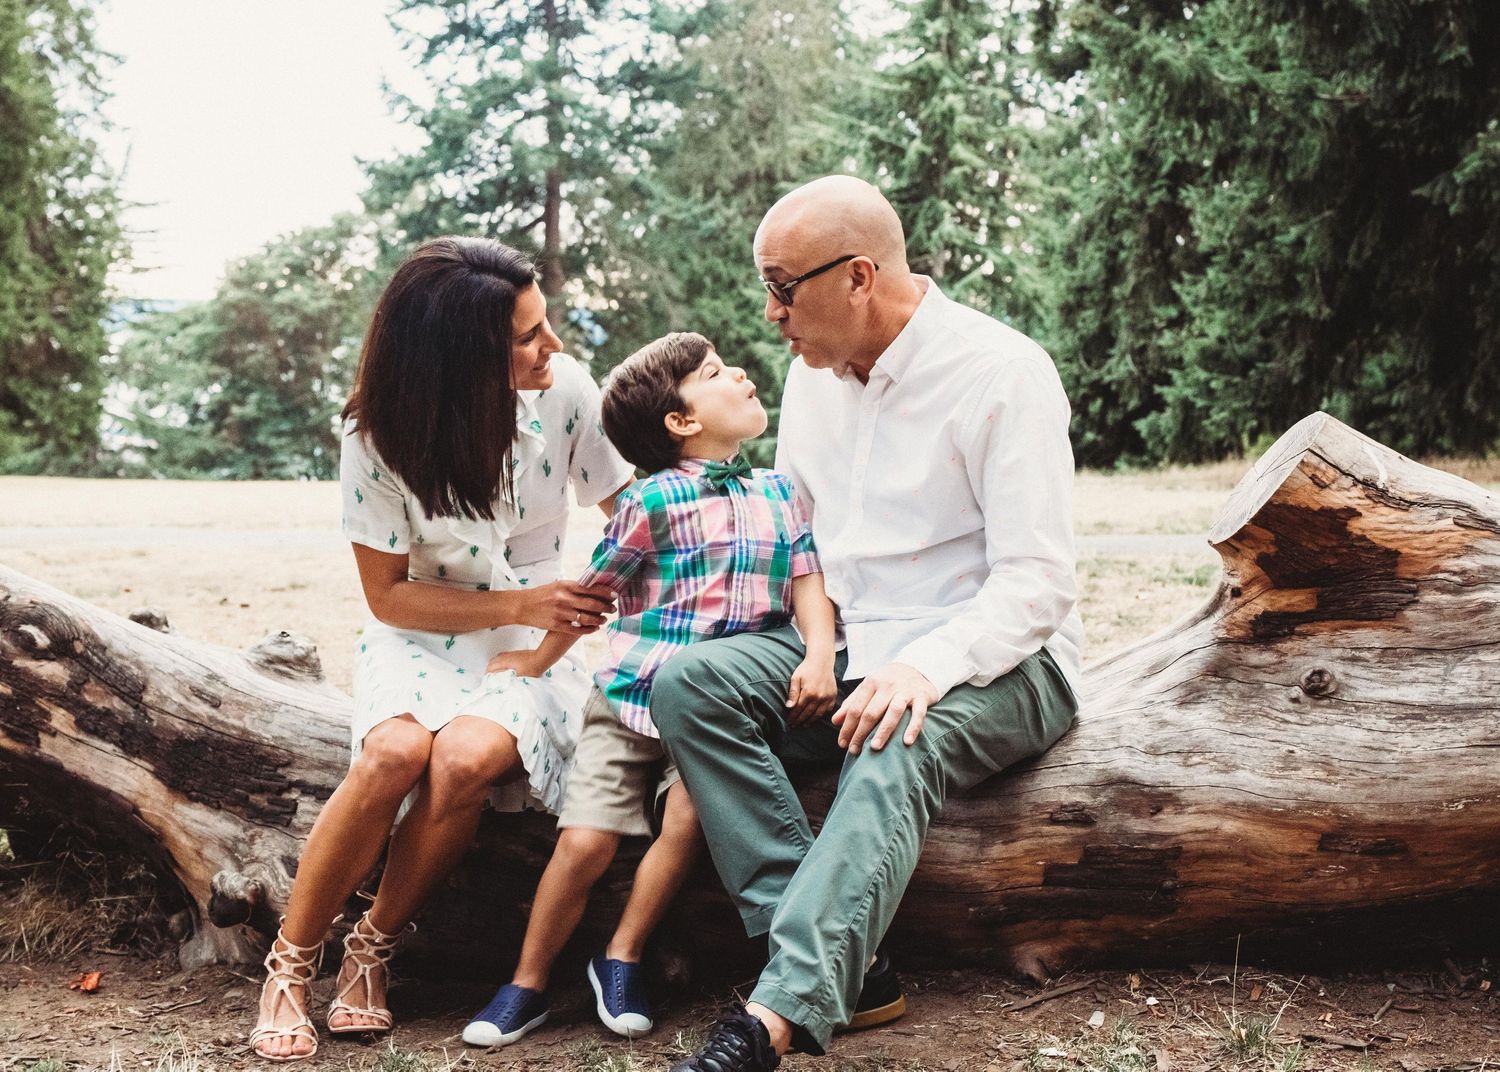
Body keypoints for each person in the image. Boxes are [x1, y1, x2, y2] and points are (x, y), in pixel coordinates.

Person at [654, 176, 1085, 1072]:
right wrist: (806, 647)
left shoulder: (1002, 372)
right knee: (690, 687)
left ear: (858, 277)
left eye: (783, 288)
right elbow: (804, 544)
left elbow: (1038, 582)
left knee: (892, 735)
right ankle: (853, 966)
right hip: (849, 642)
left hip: (1001, 657)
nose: (769, 314)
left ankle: (774, 1016)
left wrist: (924, 667)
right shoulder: (811, 377)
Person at [248, 237, 636, 1062]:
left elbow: (633, 510)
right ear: (460, 363)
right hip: (422, 625)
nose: (554, 345)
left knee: (463, 759)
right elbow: (388, 596)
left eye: (544, 324)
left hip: (533, 639)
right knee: (393, 753)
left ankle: (371, 949)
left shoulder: (565, 392)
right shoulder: (377, 436)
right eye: (527, 337)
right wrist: (522, 600)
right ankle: (290, 962)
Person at [462, 331, 839, 1048]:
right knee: (585, 842)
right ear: (681, 421)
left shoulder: (780, 494)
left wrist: (819, 654)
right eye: (717, 372)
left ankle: (623, 955)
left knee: (689, 819)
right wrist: (536, 660)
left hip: (713, 716)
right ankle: (527, 981)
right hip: (629, 701)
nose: (742, 375)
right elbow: (593, 595)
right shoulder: (651, 502)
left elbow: (808, 582)